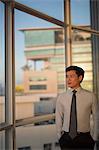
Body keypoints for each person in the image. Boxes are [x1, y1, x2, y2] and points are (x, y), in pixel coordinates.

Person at [55, 65, 98, 150]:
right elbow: (58, 117)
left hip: (85, 139)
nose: (68, 79)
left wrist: (94, 138)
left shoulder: (91, 96)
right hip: (66, 139)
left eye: (71, 76)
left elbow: (97, 118)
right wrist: (59, 137)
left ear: (80, 78)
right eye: (67, 76)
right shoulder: (61, 97)